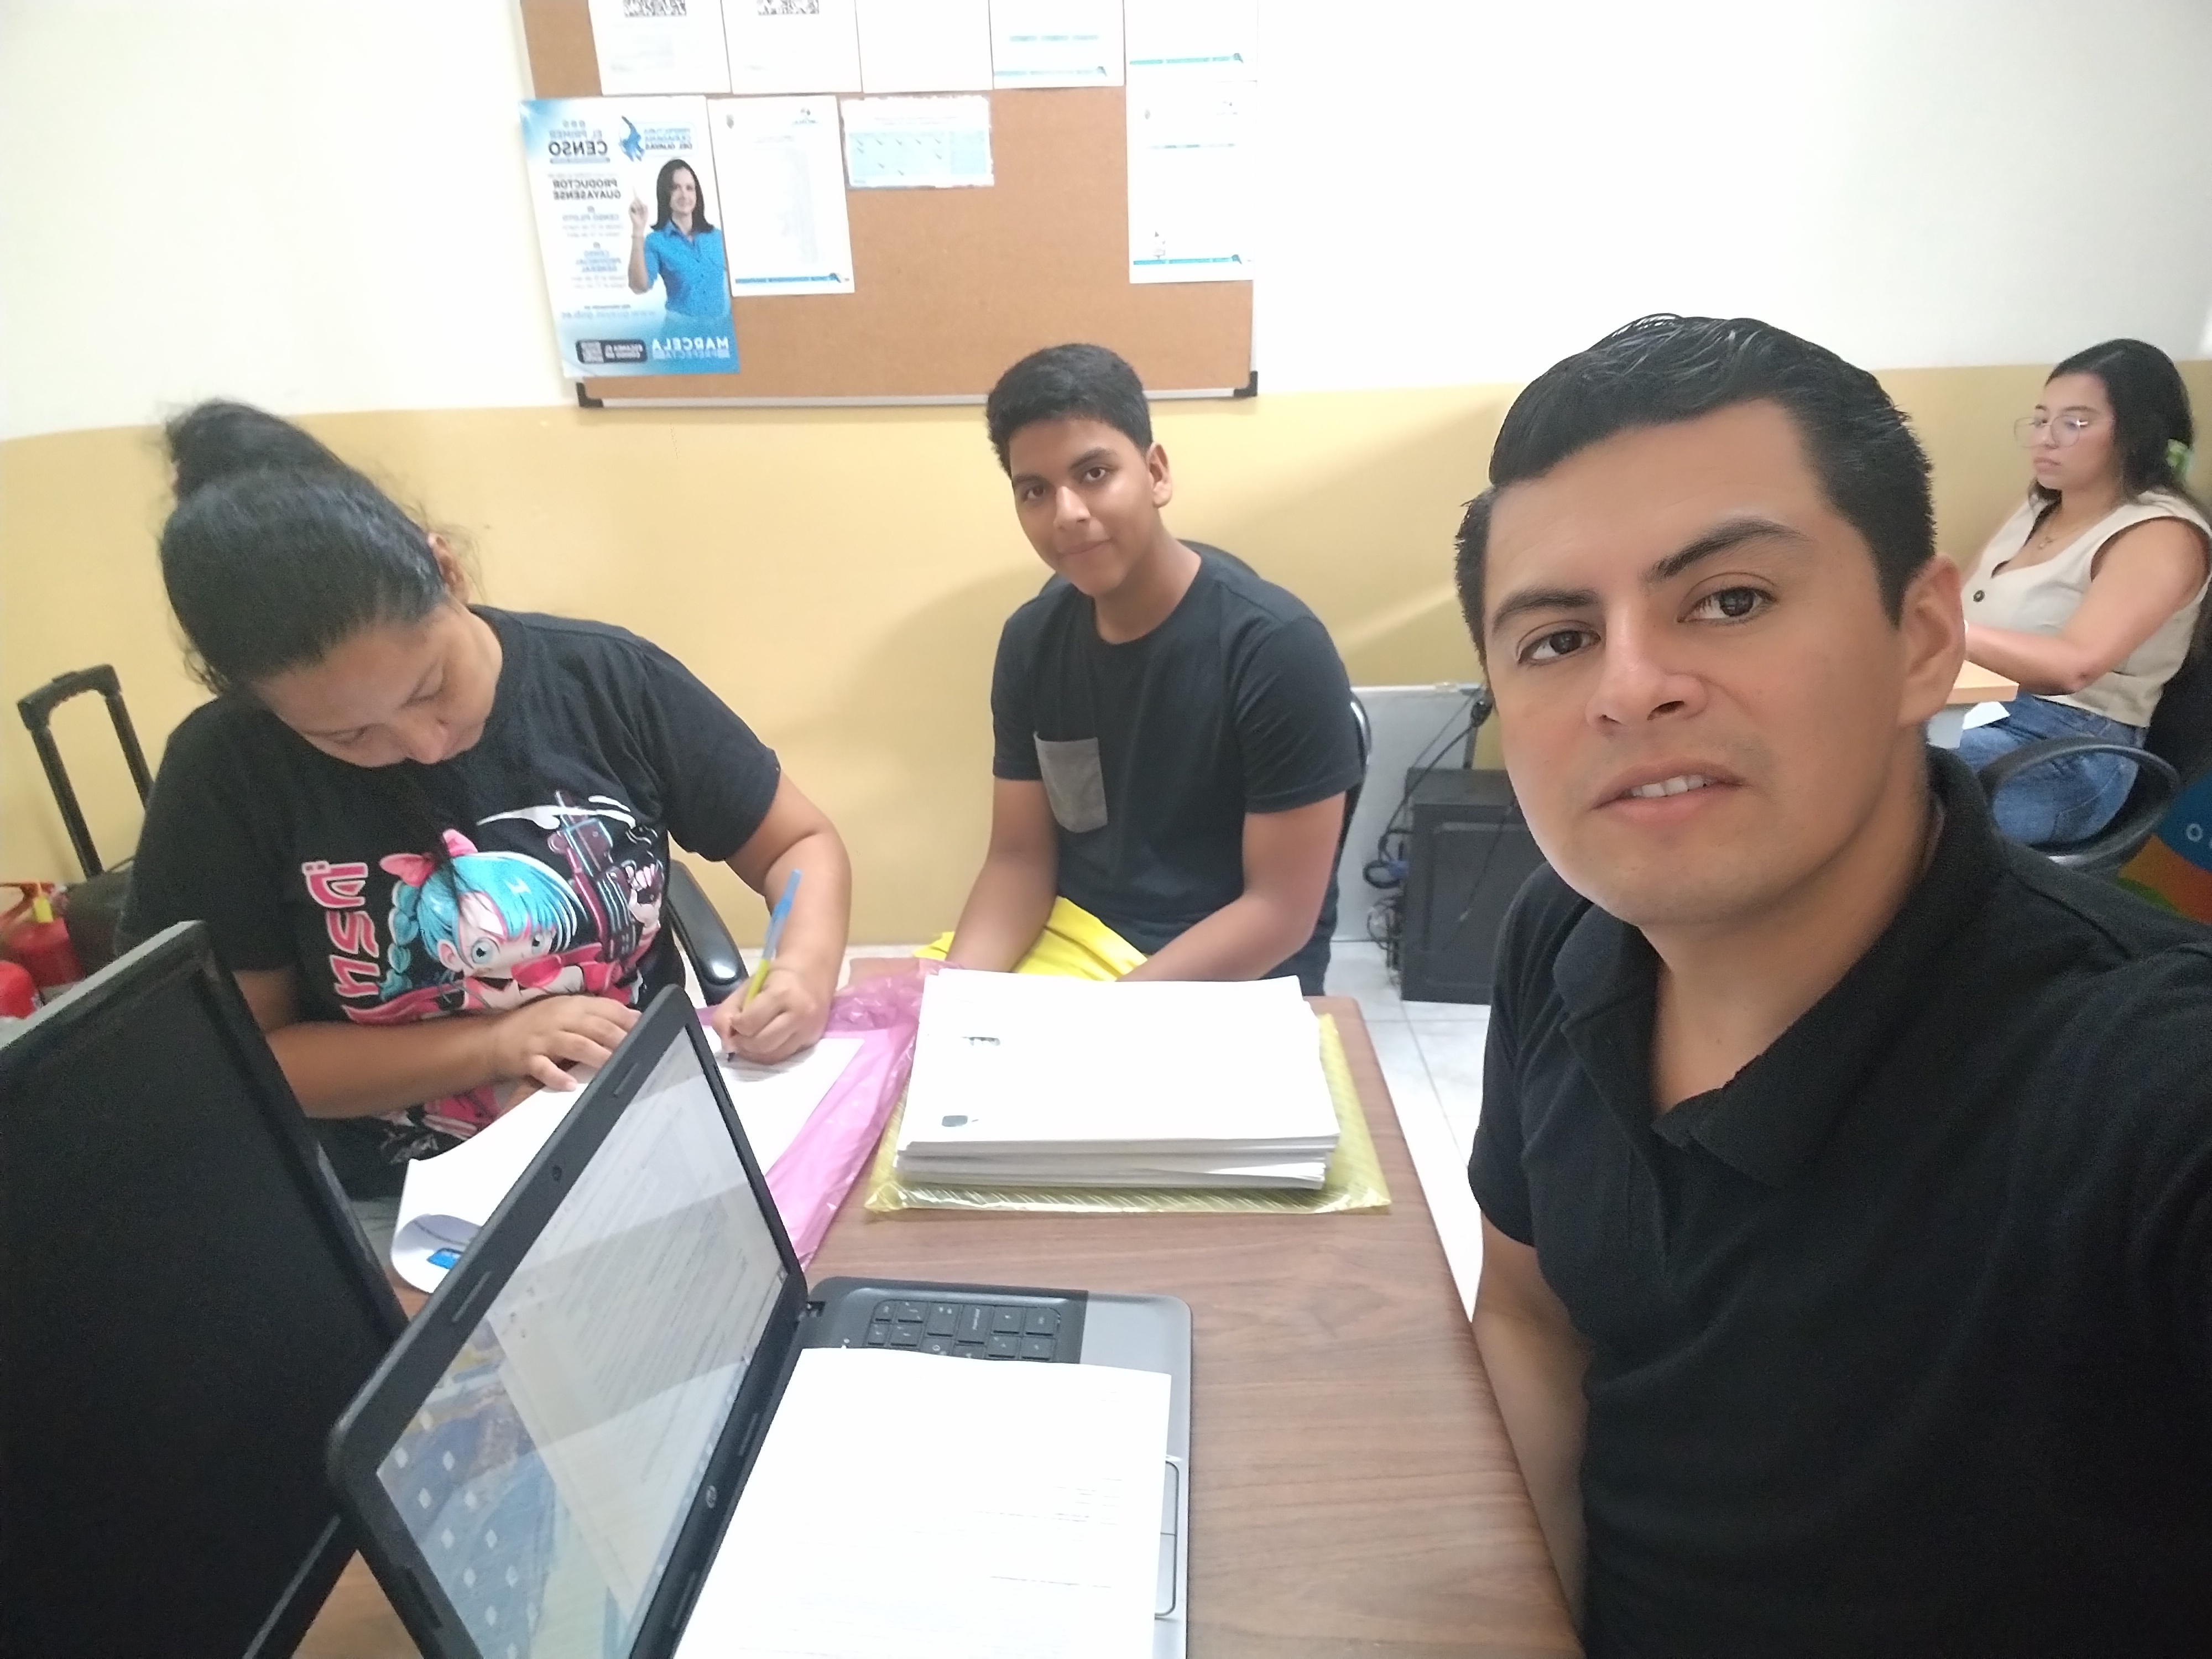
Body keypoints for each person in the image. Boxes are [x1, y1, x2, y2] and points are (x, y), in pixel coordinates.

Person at [1454, 315, 2212, 1654]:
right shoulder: (1560, 935)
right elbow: (1529, 1319)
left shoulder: (2142, 1089)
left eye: (1730, 600)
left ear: (1920, 639)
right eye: (1557, 638)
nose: (1629, 688)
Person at [122, 403, 850, 1214]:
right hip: (401, 1200)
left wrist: (802, 971)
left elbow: (798, 843)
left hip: (650, 1144)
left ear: (448, 573)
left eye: (431, 687)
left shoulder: (606, 681)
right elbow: (246, 1058)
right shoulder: (228, 772)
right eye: (348, 736)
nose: (423, 744)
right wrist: (492, 1045)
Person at [931, 343, 1363, 993]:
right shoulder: (1030, 643)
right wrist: (960, 997)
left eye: (1094, 473)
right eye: (1035, 491)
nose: (1067, 514)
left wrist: (1110, 1019)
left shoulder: (1277, 649)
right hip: (1079, 945)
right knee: (915, 1034)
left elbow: (1278, 912)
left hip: (1230, 976)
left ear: (1156, 474)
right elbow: (1019, 861)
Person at [1957, 339, 2210, 843]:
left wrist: (1937, 630)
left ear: (2137, 435)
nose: (2045, 439)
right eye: (2040, 420)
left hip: (2067, 751)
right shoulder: (2038, 508)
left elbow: (2074, 665)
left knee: (1881, 785)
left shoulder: (2162, 534)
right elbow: (1959, 606)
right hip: (1973, 706)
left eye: (2074, 422)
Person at [626, 158, 732, 328]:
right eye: (676, 188)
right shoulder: (656, 242)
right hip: (680, 334)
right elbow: (639, 286)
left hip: (720, 333)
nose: (684, 195)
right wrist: (638, 231)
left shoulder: (717, 237)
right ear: (665, 194)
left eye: (690, 188)